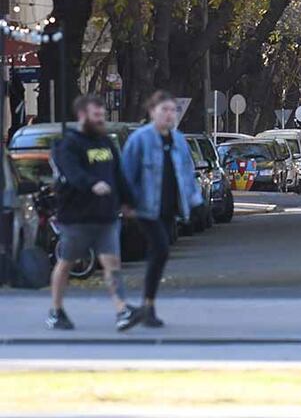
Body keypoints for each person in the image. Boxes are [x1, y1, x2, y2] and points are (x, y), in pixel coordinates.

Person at [47, 95, 142, 331]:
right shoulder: (69, 144)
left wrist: (129, 201)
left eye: (103, 116)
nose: (101, 120)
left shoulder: (106, 143)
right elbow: (72, 173)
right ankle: (56, 310)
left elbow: (118, 175)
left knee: (112, 263)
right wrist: (92, 184)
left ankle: (122, 310)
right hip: (76, 217)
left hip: (106, 216)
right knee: (67, 263)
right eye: (96, 116)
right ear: (82, 115)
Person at [122, 90, 203, 328]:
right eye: (164, 110)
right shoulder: (140, 139)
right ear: (152, 112)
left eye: (172, 110)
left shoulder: (178, 140)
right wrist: (126, 203)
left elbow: (187, 174)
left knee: (159, 253)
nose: (169, 115)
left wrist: (196, 203)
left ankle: (147, 306)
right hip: (146, 207)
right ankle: (146, 306)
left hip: (169, 208)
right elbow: (127, 174)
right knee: (160, 249)